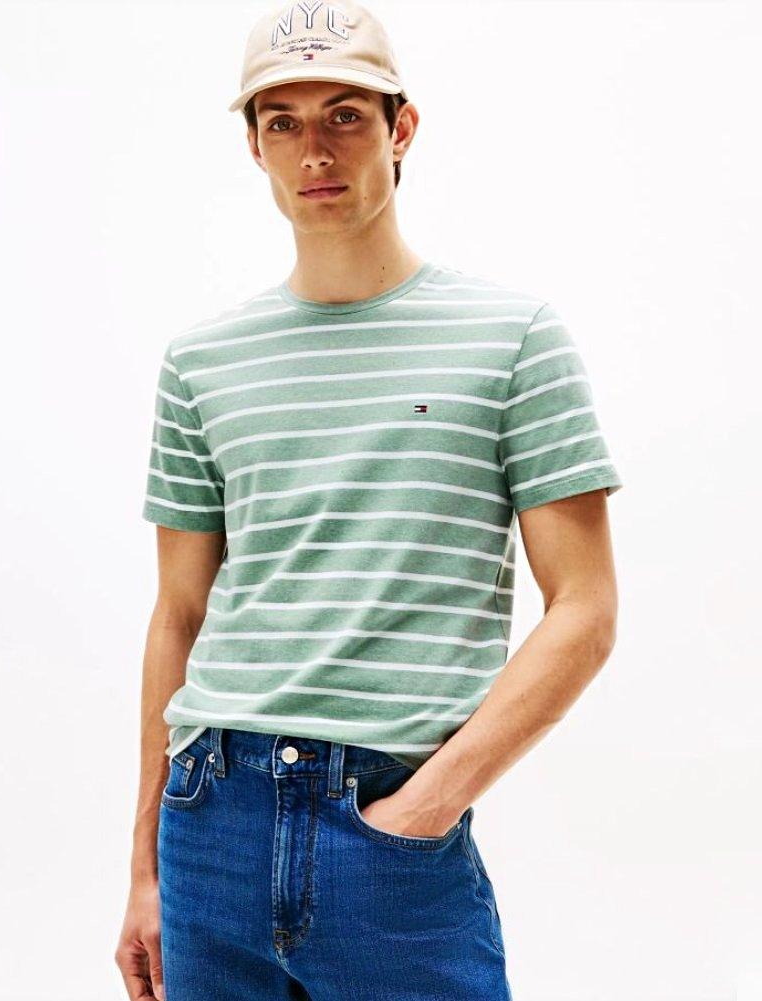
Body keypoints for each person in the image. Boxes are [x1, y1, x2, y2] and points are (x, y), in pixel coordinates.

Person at [115, 2, 623, 998]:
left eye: (345, 114)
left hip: (391, 824)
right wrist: (144, 868)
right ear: (254, 145)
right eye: (283, 121)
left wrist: (427, 804)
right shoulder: (202, 361)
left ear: (402, 127)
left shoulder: (513, 339)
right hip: (211, 820)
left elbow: (586, 608)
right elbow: (178, 612)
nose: (315, 149)